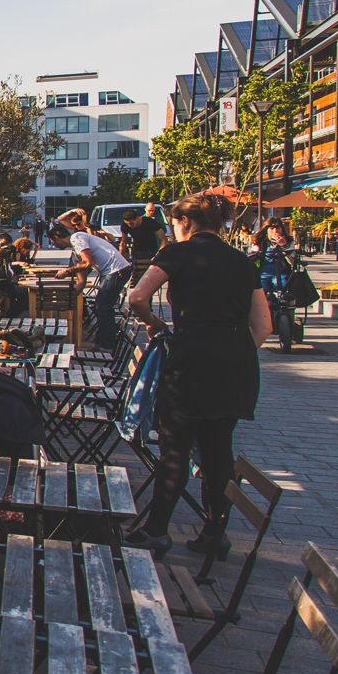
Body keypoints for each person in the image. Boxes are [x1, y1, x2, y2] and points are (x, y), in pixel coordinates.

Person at [125, 192, 272, 557]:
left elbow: (136, 297)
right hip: (237, 363)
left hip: (191, 359)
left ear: (185, 222)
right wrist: (232, 351)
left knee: (174, 447)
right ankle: (215, 533)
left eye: (174, 224)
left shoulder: (177, 253)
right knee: (218, 450)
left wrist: (157, 324)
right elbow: (264, 326)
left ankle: (157, 529)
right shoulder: (242, 262)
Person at [47, 221, 133, 352]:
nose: (53, 244)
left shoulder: (76, 238)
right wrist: (69, 297)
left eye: (52, 241)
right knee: (102, 307)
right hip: (114, 271)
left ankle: (107, 344)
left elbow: (87, 263)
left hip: (116, 270)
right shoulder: (76, 251)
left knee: (102, 306)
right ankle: (104, 341)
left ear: (57, 236)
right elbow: (81, 281)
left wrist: (67, 271)